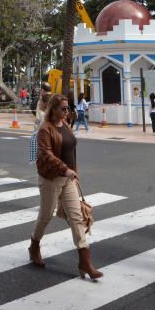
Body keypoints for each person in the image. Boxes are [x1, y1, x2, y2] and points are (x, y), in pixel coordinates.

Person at [28, 93, 103, 280]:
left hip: (68, 179)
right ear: (53, 109)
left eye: (68, 108)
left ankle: (85, 261)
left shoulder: (67, 125)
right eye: (63, 108)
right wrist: (65, 169)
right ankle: (34, 245)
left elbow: (71, 152)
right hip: (51, 178)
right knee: (45, 216)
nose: (67, 111)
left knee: (76, 217)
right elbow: (46, 154)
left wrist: (74, 174)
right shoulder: (45, 129)